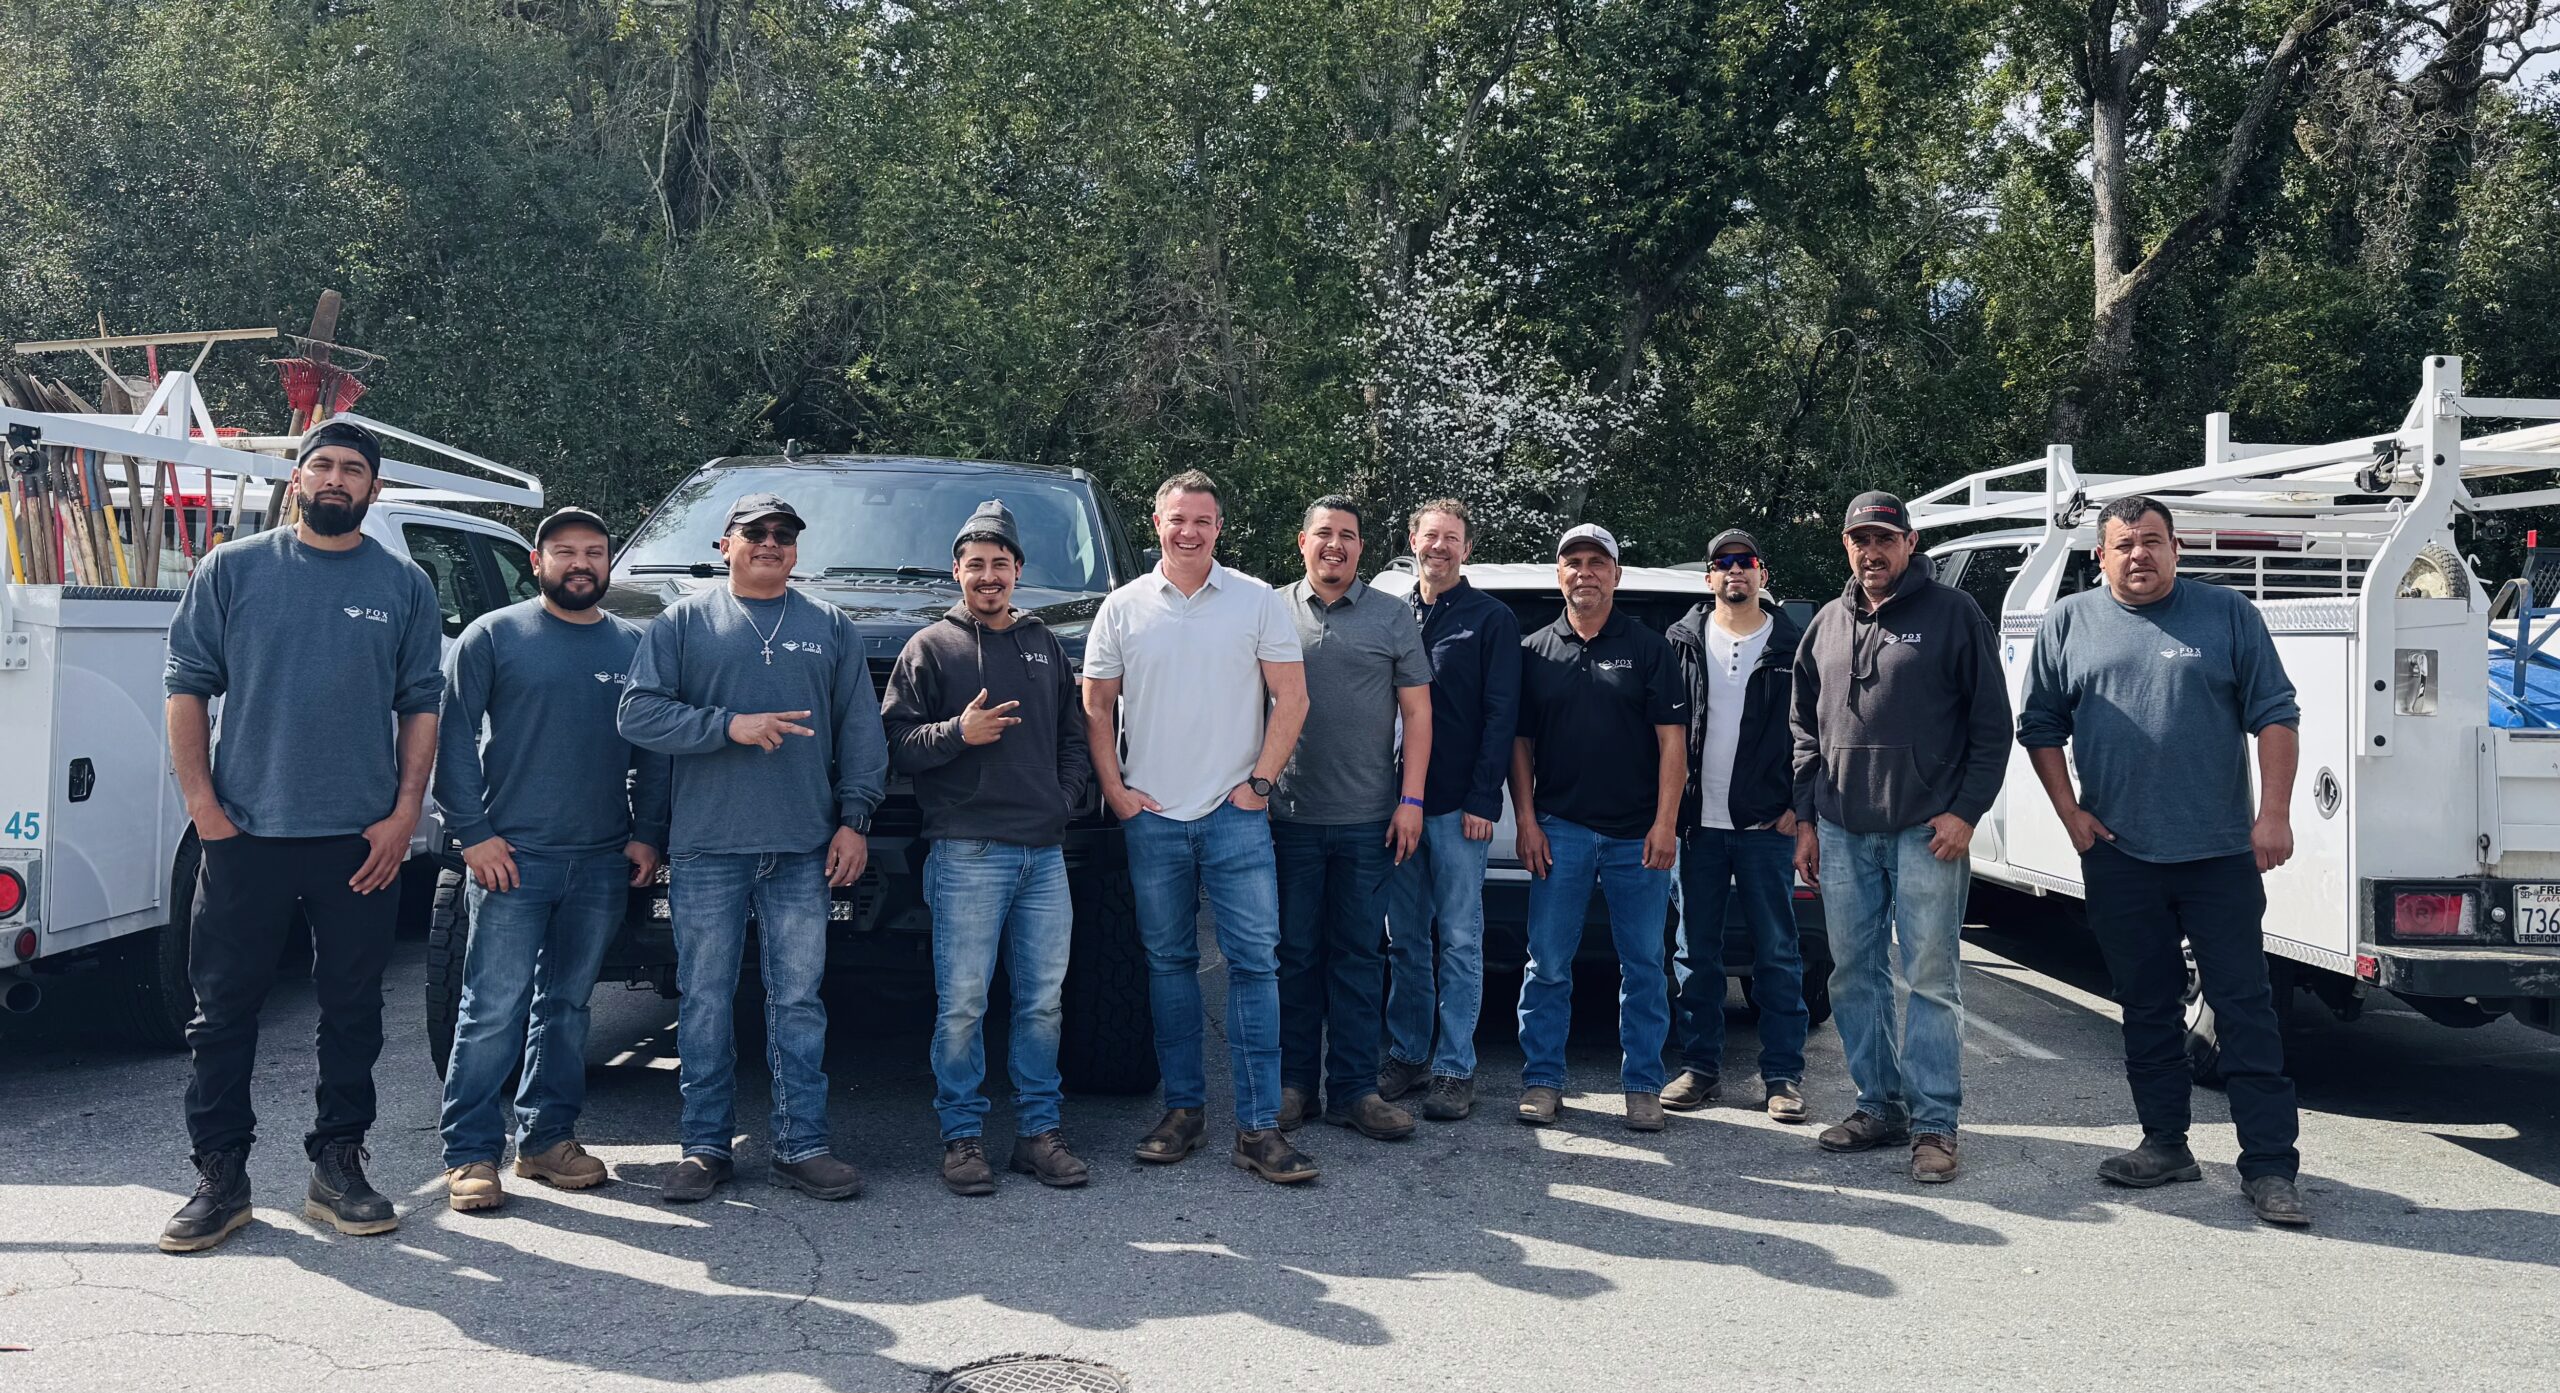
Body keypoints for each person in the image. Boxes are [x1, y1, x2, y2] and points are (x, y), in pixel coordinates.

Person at [159, 420, 443, 1253]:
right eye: (321, 464)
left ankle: (337, 1164)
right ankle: (221, 1175)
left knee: (353, 1010)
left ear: (374, 489)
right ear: (298, 480)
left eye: (353, 469)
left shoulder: (403, 583)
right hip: (244, 833)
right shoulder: (232, 569)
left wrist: (404, 814)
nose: (335, 478)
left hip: (360, 840)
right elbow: (186, 688)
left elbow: (421, 703)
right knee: (223, 1012)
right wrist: (205, 809)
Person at [2018, 495, 2310, 1226]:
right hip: (2120, 856)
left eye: (2152, 541)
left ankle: (2270, 1167)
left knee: (2244, 1008)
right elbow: (2040, 725)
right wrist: (2070, 813)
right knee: (2146, 1005)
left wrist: (2273, 814)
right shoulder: (2068, 622)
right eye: (2123, 545)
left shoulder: (2227, 614)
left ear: (2176, 548)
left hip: (2219, 853)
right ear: (2100, 556)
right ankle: (2166, 1145)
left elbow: (2276, 713)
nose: (2138, 555)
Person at [618, 493, 888, 1206]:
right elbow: (638, 714)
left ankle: (803, 1146)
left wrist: (855, 818)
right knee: (705, 1000)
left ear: (795, 549)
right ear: (725, 544)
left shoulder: (829, 624)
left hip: (803, 847)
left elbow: (861, 731)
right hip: (707, 847)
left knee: (798, 1001)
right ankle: (704, 1147)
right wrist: (727, 726)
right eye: (756, 532)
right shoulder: (682, 621)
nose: (771, 542)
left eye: (784, 534)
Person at [1081, 470, 1316, 1184]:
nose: (1189, 532)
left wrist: (1259, 785)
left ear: (1219, 527)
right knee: (1168, 966)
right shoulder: (1121, 607)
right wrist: (1117, 793)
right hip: (1152, 819)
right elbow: (1095, 707)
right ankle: (1183, 1112)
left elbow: (1293, 698)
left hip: (1234, 817)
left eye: (1203, 520)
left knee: (1255, 968)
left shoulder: (1255, 600)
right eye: (1178, 519)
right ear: (1157, 523)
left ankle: (1258, 1128)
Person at [433, 508, 671, 1213]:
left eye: (594, 552)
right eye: (564, 551)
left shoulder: (634, 645)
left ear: (608, 564)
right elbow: (451, 739)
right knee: (491, 1009)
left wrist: (647, 832)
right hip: (512, 856)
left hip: (600, 861)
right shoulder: (492, 635)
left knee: (567, 1008)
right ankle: (471, 1152)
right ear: (537, 562)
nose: (580, 563)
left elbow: (653, 750)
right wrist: (473, 834)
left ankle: (545, 1140)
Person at [1791, 491, 2011, 1184]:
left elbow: (1992, 724)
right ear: (1845, 545)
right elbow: (1803, 729)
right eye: (1860, 539)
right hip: (1841, 831)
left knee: (1932, 980)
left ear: (1910, 544)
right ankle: (1878, 1105)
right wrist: (1807, 818)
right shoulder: (1826, 624)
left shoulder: (1954, 614)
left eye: (1884, 538)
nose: (1872, 551)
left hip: (1927, 832)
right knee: (1853, 973)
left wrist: (1966, 812)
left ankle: (1935, 1123)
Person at [881, 500, 1095, 1197]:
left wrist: (1063, 798)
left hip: (1043, 855)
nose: (988, 575)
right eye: (975, 564)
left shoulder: (1043, 646)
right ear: (957, 572)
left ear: (1018, 570)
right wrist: (957, 734)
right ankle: (963, 1138)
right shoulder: (929, 648)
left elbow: (1074, 737)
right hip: (966, 852)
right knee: (964, 1004)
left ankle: (1039, 1134)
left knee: (1042, 1002)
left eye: (1000, 563)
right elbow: (896, 746)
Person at [1511, 523, 1689, 1132]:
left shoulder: (1649, 649)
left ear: (1616, 574)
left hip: (1636, 837)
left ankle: (1643, 1086)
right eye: (1574, 562)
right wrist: (1527, 821)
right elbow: (1520, 745)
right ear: (1559, 574)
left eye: (1597, 562)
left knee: (1643, 966)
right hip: (1558, 830)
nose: (1585, 572)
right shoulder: (1534, 650)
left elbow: (1672, 745)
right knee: (1547, 965)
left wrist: (1665, 824)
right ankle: (1541, 1081)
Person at [1271, 496, 1435, 1142]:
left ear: (1362, 547)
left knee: (1360, 958)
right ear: (1302, 542)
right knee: (1294, 955)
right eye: (1323, 533)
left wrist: (1411, 800)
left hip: (1370, 821)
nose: (1334, 544)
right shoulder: (1271, 611)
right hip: (1289, 818)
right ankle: (1294, 1087)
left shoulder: (1392, 615)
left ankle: (1354, 1091)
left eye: (1347, 535)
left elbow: (1418, 713)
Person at [1663, 529, 1810, 1122]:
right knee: (1694, 953)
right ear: (1709, 577)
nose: (1734, 571)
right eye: (1722, 563)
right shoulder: (1680, 641)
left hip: (1765, 827)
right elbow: (1657, 731)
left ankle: (1782, 1076)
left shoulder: (1793, 645)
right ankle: (1700, 1068)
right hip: (1696, 825)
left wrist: (1800, 804)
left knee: (1777, 953)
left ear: (1761, 574)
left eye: (1745, 561)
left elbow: (1819, 730)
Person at [1381, 499, 1520, 1123]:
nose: (1439, 546)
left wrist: (1484, 797)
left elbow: (1501, 714)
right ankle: (1409, 1053)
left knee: (1460, 941)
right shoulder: (1392, 614)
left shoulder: (1491, 619)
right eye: (1430, 535)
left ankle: (1454, 1068)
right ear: (1413, 539)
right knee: (1405, 940)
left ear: (1467, 548)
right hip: (1393, 807)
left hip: (1459, 808)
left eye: (1452, 538)